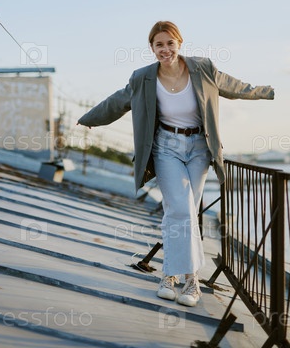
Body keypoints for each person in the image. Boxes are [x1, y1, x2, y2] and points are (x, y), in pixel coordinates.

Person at [77, 21, 274, 307]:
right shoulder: (143, 77)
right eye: (159, 44)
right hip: (166, 148)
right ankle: (185, 279)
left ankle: (176, 277)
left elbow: (234, 87)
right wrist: (89, 118)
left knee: (184, 212)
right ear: (152, 48)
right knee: (181, 209)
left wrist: (267, 91)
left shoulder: (202, 68)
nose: (165, 49)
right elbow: (118, 101)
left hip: (199, 149)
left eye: (170, 43)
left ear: (179, 43)